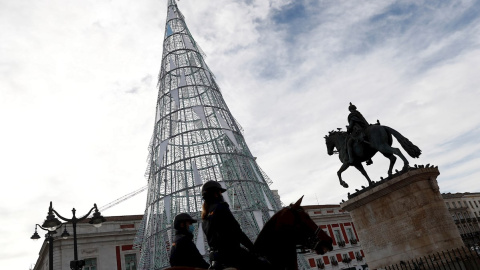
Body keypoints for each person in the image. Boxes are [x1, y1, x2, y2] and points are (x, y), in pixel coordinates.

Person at [201, 181, 266, 270]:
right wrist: (253, 249)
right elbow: (237, 232)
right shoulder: (221, 208)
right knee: (264, 264)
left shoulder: (204, 218)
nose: (221, 195)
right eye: (220, 192)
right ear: (215, 194)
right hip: (232, 255)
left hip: (216, 258)